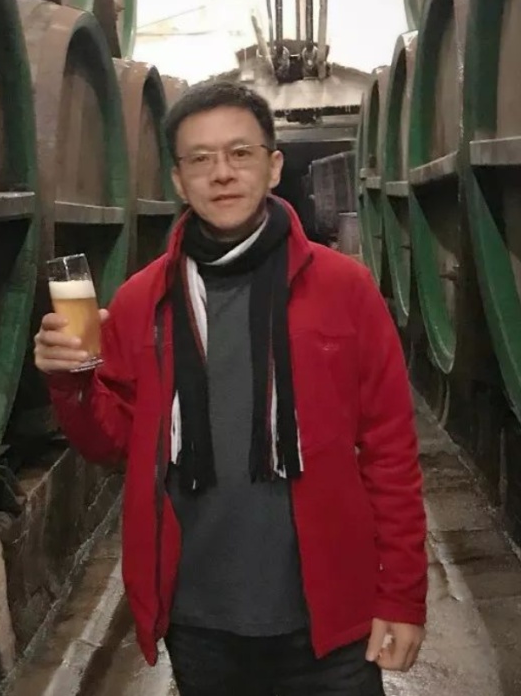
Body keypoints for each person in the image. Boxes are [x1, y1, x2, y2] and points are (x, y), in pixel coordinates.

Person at [33, 80, 427, 694]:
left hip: (330, 616)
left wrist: (401, 593)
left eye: (241, 153)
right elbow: (114, 444)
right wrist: (70, 384)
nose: (222, 173)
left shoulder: (343, 289)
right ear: (177, 179)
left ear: (274, 167)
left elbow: (391, 452)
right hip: (200, 618)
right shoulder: (143, 300)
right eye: (200, 159)